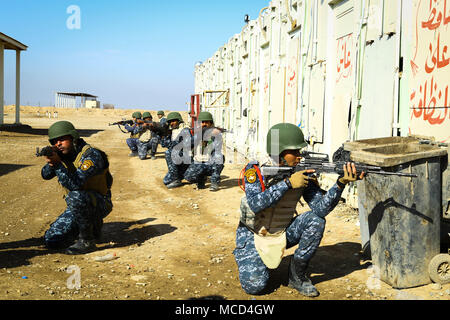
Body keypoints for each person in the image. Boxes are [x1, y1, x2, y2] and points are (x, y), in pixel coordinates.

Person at [233, 123, 365, 297]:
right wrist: (287, 184)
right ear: (278, 152)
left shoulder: (302, 173)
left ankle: (297, 276)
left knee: (316, 220)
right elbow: (255, 204)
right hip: (253, 234)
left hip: (281, 231)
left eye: (299, 152)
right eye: (293, 152)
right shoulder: (255, 171)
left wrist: (341, 183)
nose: (298, 156)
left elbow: (320, 209)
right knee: (255, 287)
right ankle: (248, 255)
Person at [41, 121, 113, 255]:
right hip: (80, 206)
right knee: (52, 240)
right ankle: (91, 227)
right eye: (55, 141)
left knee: (75, 195)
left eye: (62, 139)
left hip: (100, 203)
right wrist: (51, 161)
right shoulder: (63, 156)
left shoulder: (91, 156)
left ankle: (87, 240)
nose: (58, 144)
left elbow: (75, 184)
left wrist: (57, 164)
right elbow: (45, 175)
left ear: (73, 138)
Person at [184, 111, 224, 191]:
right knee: (189, 177)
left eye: (206, 122)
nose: (204, 124)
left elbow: (216, 148)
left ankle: (214, 182)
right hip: (197, 163)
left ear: (211, 123)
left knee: (219, 156)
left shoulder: (216, 134)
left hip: (209, 163)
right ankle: (201, 179)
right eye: (202, 122)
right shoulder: (195, 133)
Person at [163, 112, 193, 189]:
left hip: (187, 158)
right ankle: (178, 176)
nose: (172, 123)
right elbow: (164, 144)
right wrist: (165, 133)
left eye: (173, 121)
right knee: (166, 180)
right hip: (179, 158)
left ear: (179, 120)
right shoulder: (173, 131)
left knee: (169, 152)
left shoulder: (185, 130)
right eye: (170, 122)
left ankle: (176, 180)